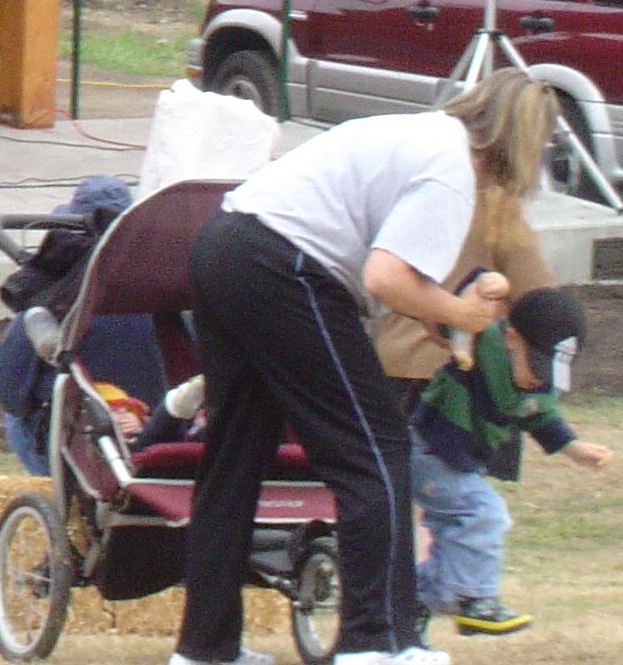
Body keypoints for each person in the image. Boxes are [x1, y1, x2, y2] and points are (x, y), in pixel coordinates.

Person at [170, 70, 555, 665]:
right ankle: (376, 644)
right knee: (375, 451)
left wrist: (439, 316)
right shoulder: (452, 173)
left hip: (224, 244)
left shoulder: (422, 135)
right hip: (287, 267)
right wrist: (464, 315)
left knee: (233, 459)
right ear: (524, 142)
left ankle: (204, 650)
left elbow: (397, 276)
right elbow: (383, 277)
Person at [409, 284, 612, 638]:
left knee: (456, 536)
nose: (539, 378)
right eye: (535, 365)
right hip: (430, 451)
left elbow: (539, 415)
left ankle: (411, 603)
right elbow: (440, 314)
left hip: (461, 461)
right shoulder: (481, 340)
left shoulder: (537, 385)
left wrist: (573, 447)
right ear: (512, 339)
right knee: (483, 513)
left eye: (548, 371)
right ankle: (476, 600)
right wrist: (483, 285)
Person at [0, 174, 166, 474]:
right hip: (147, 433)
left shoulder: (52, 303)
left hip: (75, 443)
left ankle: (50, 483)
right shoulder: (160, 296)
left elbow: (7, 390)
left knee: (16, 412)